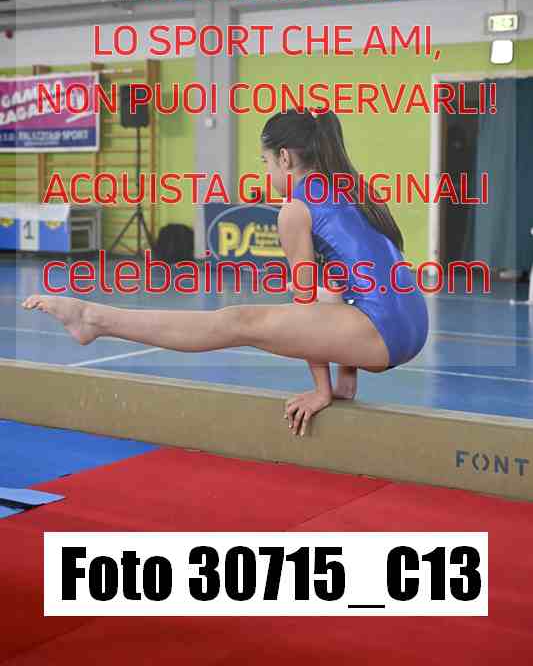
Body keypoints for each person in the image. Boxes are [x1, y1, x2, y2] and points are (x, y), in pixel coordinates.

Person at [22, 108, 428, 438]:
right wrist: (345, 383)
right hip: (409, 326)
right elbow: (339, 292)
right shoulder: (350, 189)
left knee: (237, 321)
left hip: (380, 331)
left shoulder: (296, 209)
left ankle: (93, 318)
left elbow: (306, 308)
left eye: (266, 162)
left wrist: (322, 391)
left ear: (285, 158)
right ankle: (93, 320)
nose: (267, 172)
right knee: (311, 296)